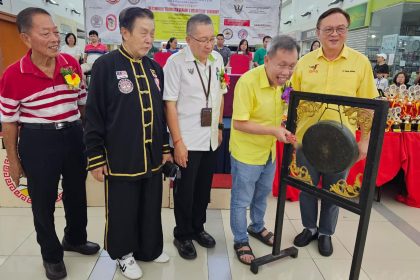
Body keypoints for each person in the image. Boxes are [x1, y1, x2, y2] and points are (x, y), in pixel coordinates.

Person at [0, 7, 99, 280]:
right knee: (42, 201)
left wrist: (88, 141)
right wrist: (14, 162)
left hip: (73, 135)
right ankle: (51, 255)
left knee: (77, 193)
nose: (55, 38)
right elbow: (8, 124)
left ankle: (75, 238)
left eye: (56, 31)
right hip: (38, 140)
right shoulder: (13, 75)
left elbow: (81, 105)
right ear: (26, 38)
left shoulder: (70, 64)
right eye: (46, 33)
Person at [84, 7, 171, 280]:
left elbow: (161, 114)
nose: (149, 39)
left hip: (152, 155)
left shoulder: (155, 68)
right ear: (124, 32)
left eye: (152, 34)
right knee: (123, 209)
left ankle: (150, 248)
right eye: (143, 33)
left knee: (150, 205)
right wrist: (96, 157)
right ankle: (123, 254)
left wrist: (166, 148)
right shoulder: (106, 66)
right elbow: (94, 114)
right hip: (121, 155)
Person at [291, 8, 377, 257]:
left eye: (340, 28)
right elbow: (293, 101)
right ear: (318, 32)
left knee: (333, 189)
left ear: (347, 31)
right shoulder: (305, 63)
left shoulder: (360, 63)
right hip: (307, 140)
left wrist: (365, 141)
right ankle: (309, 227)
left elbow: (368, 108)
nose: (334, 33)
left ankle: (326, 232)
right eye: (328, 29)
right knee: (306, 187)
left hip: (342, 143)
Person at [229, 35, 299, 265]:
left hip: (268, 152)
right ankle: (240, 239)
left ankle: (256, 227)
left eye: (291, 65)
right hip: (247, 154)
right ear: (267, 60)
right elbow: (239, 122)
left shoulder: (285, 83)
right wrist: (273, 130)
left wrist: (283, 131)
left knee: (262, 195)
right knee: (241, 200)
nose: (286, 71)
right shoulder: (248, 82)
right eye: (281, 65)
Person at [164, 14, 226, 260]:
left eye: (211, 39)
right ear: (188, 39)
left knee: (202, 189)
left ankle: (198, 227)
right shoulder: (175, 63)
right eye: (202, 40)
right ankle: (183, 234)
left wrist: (220, 127)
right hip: (186, 140)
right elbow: (169, 105)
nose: (208, 45)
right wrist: (177, 143)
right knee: (185, 191)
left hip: (210, 138)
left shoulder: (218, 60)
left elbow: (220, 95)